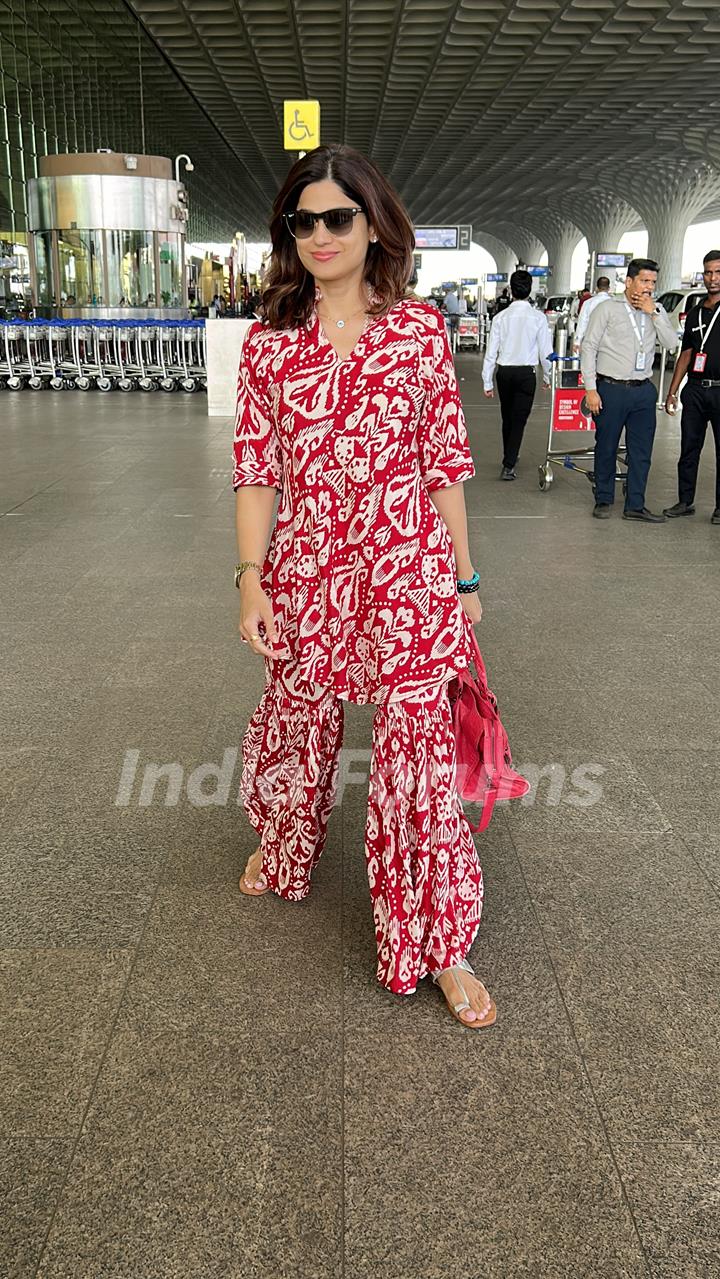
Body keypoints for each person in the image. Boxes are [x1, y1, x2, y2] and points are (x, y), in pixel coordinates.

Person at [232, 143, 521, 1028]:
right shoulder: (271, 344)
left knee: (416, 762)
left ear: (374, 223)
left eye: (338, 218)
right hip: (308, 569)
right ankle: (283, 840)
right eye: (302, 220)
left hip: (405, 571)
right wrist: (252, 579)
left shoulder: (419, 332)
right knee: (298, 717)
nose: (319, 235)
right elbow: (255, 469)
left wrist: (465, 575)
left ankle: (436, 941)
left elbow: (445, 465)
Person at [581, 258, 678, 521]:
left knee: (641, 450)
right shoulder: (607, 309)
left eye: (653, 282)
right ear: (629, 281)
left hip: (643, 390)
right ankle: (603, 498)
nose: (649, 287)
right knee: (607, 446)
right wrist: (591, 389)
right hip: (611, 388)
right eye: (645, 281)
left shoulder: (655, 309)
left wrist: (653, 313)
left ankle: (635, 504)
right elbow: (588, 347)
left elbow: (670, 343)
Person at [663, 249, 720, 525]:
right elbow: (686, 353)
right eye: (709, 272)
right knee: (689, 448)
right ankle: (685, 501)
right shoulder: (697, 312)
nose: (713, 278)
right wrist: (673, 390)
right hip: (695, 390)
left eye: (718, 272)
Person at [482, 268, 552, 479]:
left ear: (511, 290)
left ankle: (509, 455)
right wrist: (548, 377)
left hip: (504, 374)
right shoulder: (538, 318)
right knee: (519, 419)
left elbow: (491, 351)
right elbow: (545, 352)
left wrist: (487, 381)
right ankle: (509, 464)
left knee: (508, 416)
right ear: (530, 290)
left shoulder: (500, 317)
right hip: (526, 374)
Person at [574, 276, 612, 352]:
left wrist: (577, 342)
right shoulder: (614, 303)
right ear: (609, 288)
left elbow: (582, 323)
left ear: (596, 288)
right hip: (609, 343)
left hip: (591, 340)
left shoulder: (588, 303)